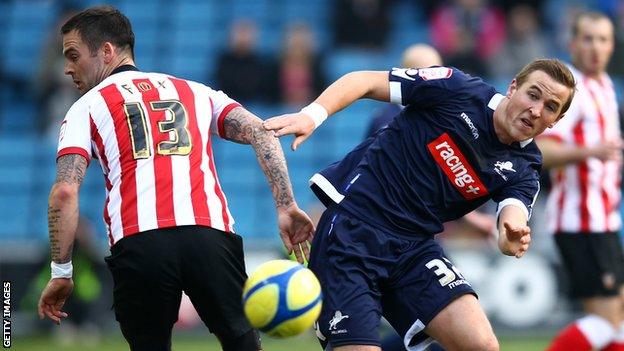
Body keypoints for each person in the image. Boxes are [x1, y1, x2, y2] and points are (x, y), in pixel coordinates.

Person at [36, 6, 314, 351]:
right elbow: (263, 133)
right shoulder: (196, 91)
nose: (67, 68)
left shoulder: (85, 107)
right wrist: (286, 205)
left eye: (74, 55)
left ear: (107, 51)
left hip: (139, 243)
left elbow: (64, 191)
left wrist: (62, 272)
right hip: (208, 235)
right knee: (241, 344)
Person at [264, 58, 576, 350]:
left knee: (482, 345)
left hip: (414, 250)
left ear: (556, 120)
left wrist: (511, 236)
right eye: (532, 95)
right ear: (513, 87)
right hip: (354, 232)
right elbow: (363, 81)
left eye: (550, 107)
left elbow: (514, 213)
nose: (536, 110)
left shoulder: (526, 165)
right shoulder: (458, 90)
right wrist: (312, 115)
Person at [536, 12, 624, 351]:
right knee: (605, 320)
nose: (595, 47)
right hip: (580, 220)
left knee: (616, 323)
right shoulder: (572, 91)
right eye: (587, 39)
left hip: (604, 219)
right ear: (572, 44)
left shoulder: (605, 87)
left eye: (602, 39)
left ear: (612, 45)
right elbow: (541, 150)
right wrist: (591, 151)